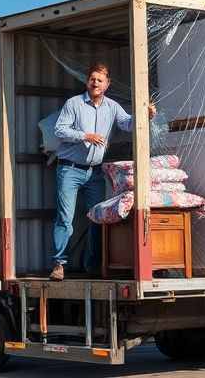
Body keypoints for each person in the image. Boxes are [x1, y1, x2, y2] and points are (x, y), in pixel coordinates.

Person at [49, 63, 155, 281]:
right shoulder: (74, 104)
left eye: (100, 80)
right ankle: (59, 265)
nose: (95, 83)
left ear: (107, 85)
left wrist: (146, 116)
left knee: (97, 217)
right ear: (87, 82)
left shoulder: (112, 107)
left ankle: (93, 265)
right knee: (64, 218)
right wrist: (85, 136)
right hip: (69, 169)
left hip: (95, 173)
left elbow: (128, 124)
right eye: (92, 79)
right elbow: (59, 129)